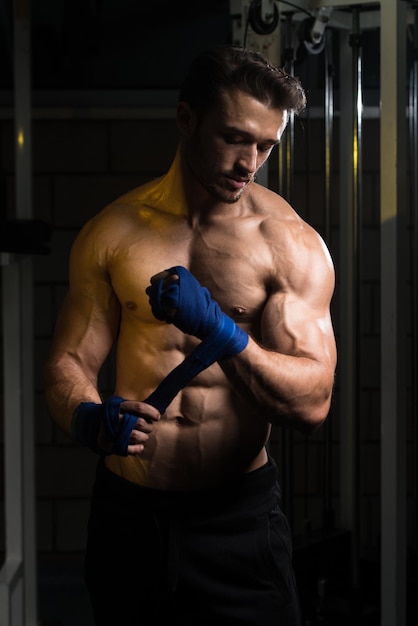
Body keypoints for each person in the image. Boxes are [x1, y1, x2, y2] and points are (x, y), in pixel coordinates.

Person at [44, 44, 337, 626]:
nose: (249, 162)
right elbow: (69, 363)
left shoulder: (290, 244)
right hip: (130, 515)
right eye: (234, 138)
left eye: (266, 146)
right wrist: (88, 417)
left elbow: (313, 400)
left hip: (237, 521)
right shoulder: (114, 231)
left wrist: (224, 333)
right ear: (186, 119)